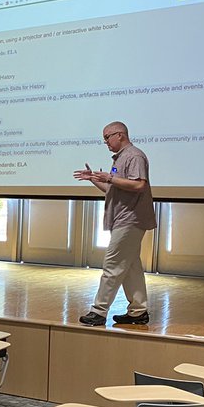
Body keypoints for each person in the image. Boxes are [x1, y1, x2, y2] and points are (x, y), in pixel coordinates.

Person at [73, 121, 156, 326]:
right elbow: (114, 189)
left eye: (107, 137)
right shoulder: (121, 158)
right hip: (123, 217)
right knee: (131, 267)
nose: (106, 142)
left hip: (131, 218)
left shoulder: (134, 155)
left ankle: (99, 311)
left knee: (112, 265)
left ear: (120, 135)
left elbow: (138, 184)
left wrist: (110, 178)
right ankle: (138, 311)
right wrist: (94, 178)